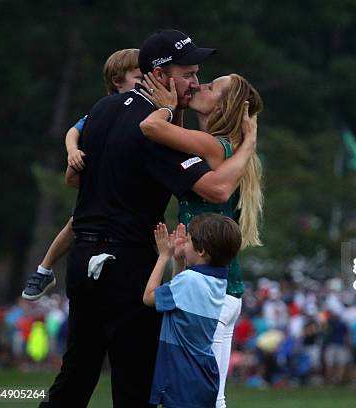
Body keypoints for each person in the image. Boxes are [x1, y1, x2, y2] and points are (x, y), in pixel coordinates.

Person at [40, 29, 258, 408]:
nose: (194, 82)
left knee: (76, 373)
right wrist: (249, 142)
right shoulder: (159, 130)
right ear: (160, 75)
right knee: (135, 381)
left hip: (82, 259)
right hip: (128, 263)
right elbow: (215, 189)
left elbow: (73, 177)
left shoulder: (103, 109)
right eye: (188, 74)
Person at [139, 70, 263, 408]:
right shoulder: (235, 150)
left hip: (210, 289)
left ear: (223, 108)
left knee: (203, 397)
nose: (199, 85)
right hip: (225, 288)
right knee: (212, 394)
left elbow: (150, 128)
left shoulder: (214, 145)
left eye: (210, 87)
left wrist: (165, 107)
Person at [22, 48, 142, 300]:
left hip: (118, 186)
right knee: (76, 223)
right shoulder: (104, 110)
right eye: (138, 78)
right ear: (117, 81)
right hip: (98, 182)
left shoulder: (145, 110)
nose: (143, 83)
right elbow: (73, 131)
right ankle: (44, 269)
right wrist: (72, 152)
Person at [143, 214, 241, 408]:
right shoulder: (218, 281)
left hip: (182, 374)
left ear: (202, 250)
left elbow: (149, 297)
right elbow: (178, 299)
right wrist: (179, 260)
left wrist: (164, 256)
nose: (184, 244)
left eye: (188, 241)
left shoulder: (190, 280)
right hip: (201, 374)